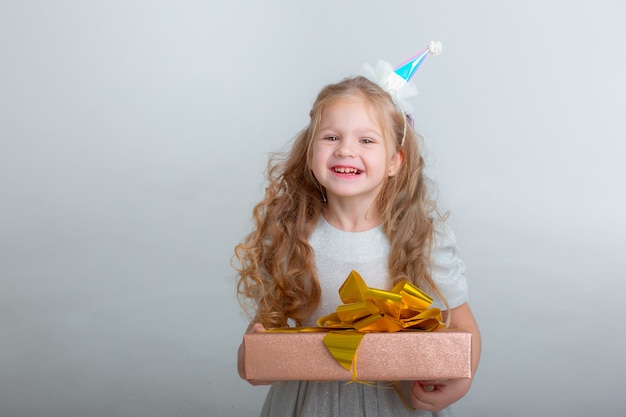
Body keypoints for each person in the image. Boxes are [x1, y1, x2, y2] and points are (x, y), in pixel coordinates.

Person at [233, 42, 481, 417]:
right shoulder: (290, 235)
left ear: (396, 160)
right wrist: (254, 358)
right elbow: (257, 347)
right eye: (331, 137)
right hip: (306, 405)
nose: (346, 150)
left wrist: (460, 380)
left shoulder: (419, 239)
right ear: (310, 151)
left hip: (393, 404)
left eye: (366, 140)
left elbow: (462, 326)